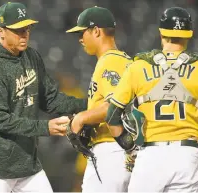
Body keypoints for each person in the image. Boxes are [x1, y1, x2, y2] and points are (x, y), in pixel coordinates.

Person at [106, 7, 198, 192]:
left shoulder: (138, 67)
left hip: (151, 154)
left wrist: (129, 146)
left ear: (161, 32)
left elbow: (112, 117)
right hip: (187, 154)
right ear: (189, 35)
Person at [0, 2, 87, 193]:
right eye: (18, 30)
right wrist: (45, 127)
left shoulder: (31, 56)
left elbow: (51, 99)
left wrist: (91, 103)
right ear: (1, 31)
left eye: (27, 28)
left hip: (26, 165)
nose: (24, 34)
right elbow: (0, 120)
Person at [66, 6, 133, 192]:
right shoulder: (124, 60)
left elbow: (115, 106)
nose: (80, 39)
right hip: (119, 150)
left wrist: (82, 118)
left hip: (112, 151)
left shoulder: (111, 61)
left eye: (82, 32)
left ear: (96, 31)